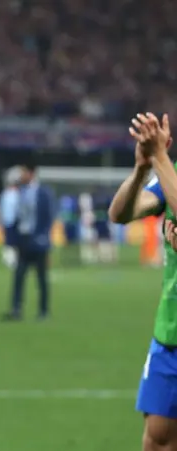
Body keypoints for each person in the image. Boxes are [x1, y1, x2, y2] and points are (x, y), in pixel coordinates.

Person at [108, 112, 177, 451]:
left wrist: (160, 156)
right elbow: (120, 213)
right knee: (157, 440)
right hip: (170, 335)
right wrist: (142, 169)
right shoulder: (172, 171)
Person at [1, 162, 55, 321]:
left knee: (42, 278)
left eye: (23, 172)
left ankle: (43, 311)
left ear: (31, 173)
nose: (20, 176)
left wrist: (43, 236)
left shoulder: (44, 193)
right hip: (23, 240)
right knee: (18, 277)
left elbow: (48, 216)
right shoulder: (20, 192)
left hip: (38, 241)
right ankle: (16, 309)